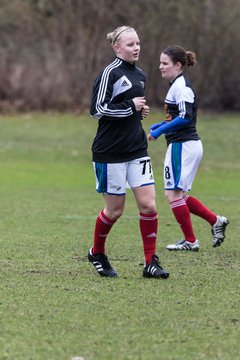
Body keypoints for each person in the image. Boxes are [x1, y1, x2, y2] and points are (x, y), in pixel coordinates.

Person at [87, 26, 169, 278]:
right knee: (115, 211)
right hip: (109, 151)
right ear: (117, 48)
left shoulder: (141, 74)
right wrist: (128, 107)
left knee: (149, 206)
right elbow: (97, 109)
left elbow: (130, 109)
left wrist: (139, 112)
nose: (136, 48)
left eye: (138, 43)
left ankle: (150, 262)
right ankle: (97, 252)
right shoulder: (109, 73)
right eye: (131, 44)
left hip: (136, 148)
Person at [148, 45, 229, 251]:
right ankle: (215, 221)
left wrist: (160, 131)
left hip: (183, 146)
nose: (161, 67)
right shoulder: (176, 84)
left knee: (173, 195)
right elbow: (177, 116)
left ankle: (191, 241)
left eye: (165, 63)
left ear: (178, 65)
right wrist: (161, 125)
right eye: (160, 63)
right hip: (184, 145)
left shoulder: (182, 87)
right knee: (179, 195)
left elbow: (185, 118)